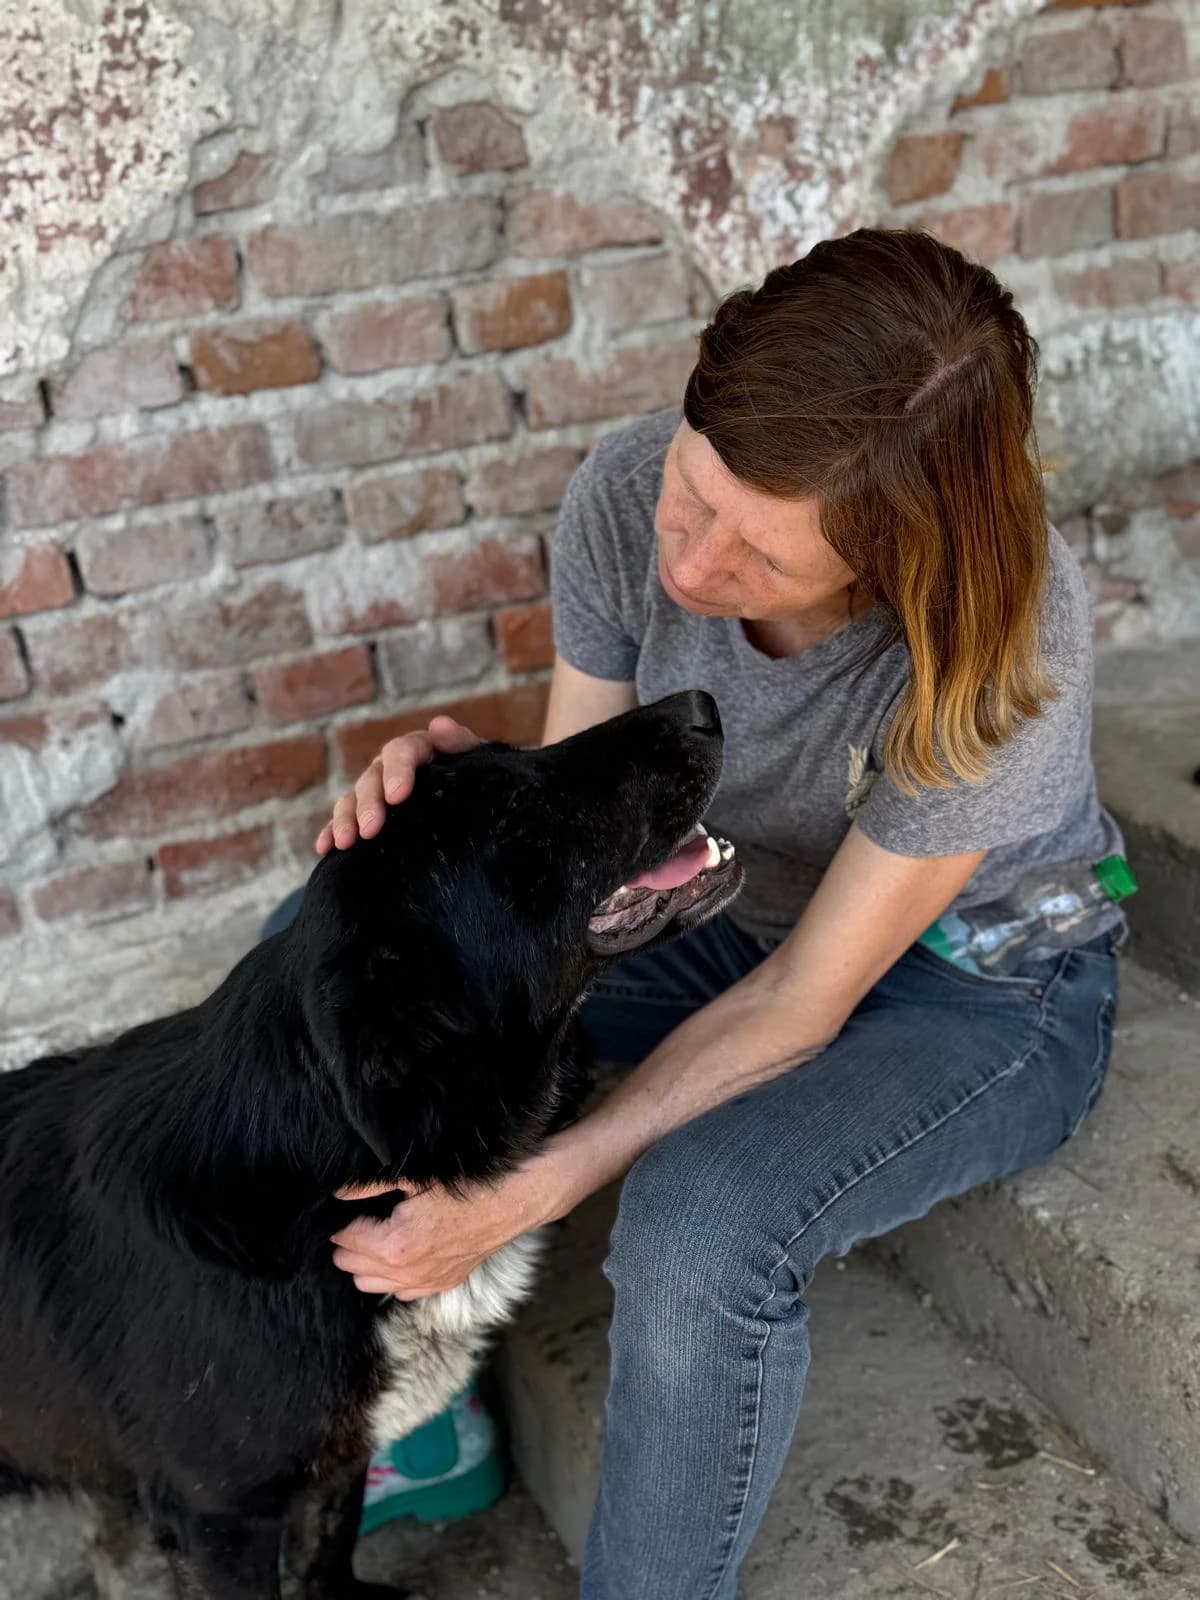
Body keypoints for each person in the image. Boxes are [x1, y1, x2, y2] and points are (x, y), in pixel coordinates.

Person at [273, 228, 1125, 1599]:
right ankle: (404, 1416)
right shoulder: (626, 492)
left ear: (897, 561)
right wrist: (468, 831)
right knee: (327, 967)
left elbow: (805, 1003)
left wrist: (517, 1194)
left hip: (980, 986)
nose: (693, 564)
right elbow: (588, 844)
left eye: (763, 561)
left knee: (694, 1232)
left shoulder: (1000, 640)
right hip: (726, 905)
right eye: (695, 493)